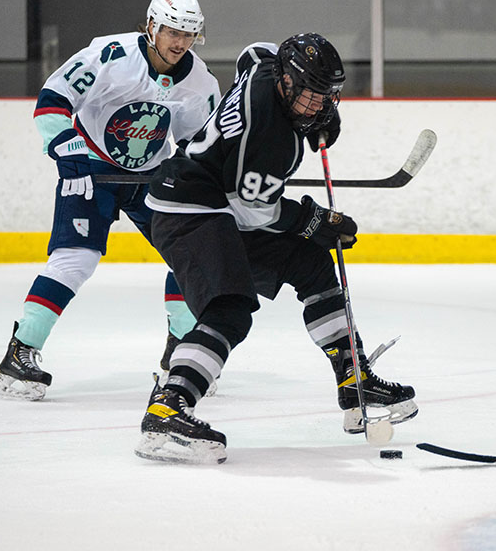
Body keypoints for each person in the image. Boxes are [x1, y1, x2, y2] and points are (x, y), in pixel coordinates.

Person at [133, 33, 418, 464]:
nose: (318, 107)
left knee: (311, 263)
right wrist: (312, 220)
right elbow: (251, 211)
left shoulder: (268, 67)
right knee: (229, 309)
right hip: (191, 206)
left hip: (218, 199)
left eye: (326, 98)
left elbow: (253, 51)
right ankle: (168, 408)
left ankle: (352, 378)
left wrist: (314, 118)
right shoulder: (269, 137)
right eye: (309, 97)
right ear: (285, 82)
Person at [0, 0, 221, 401]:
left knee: (190, 255)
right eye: (172, 31)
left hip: (152, 175)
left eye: (189, 34)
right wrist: (65, 146)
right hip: (91, 169)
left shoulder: (200, 81)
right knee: (75, 260)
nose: (180, 42)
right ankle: (21, 351)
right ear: (151, 26)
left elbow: (197, 142)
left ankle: (180, 352)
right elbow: (53, 100)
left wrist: (201, 176)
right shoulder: (111, 55)